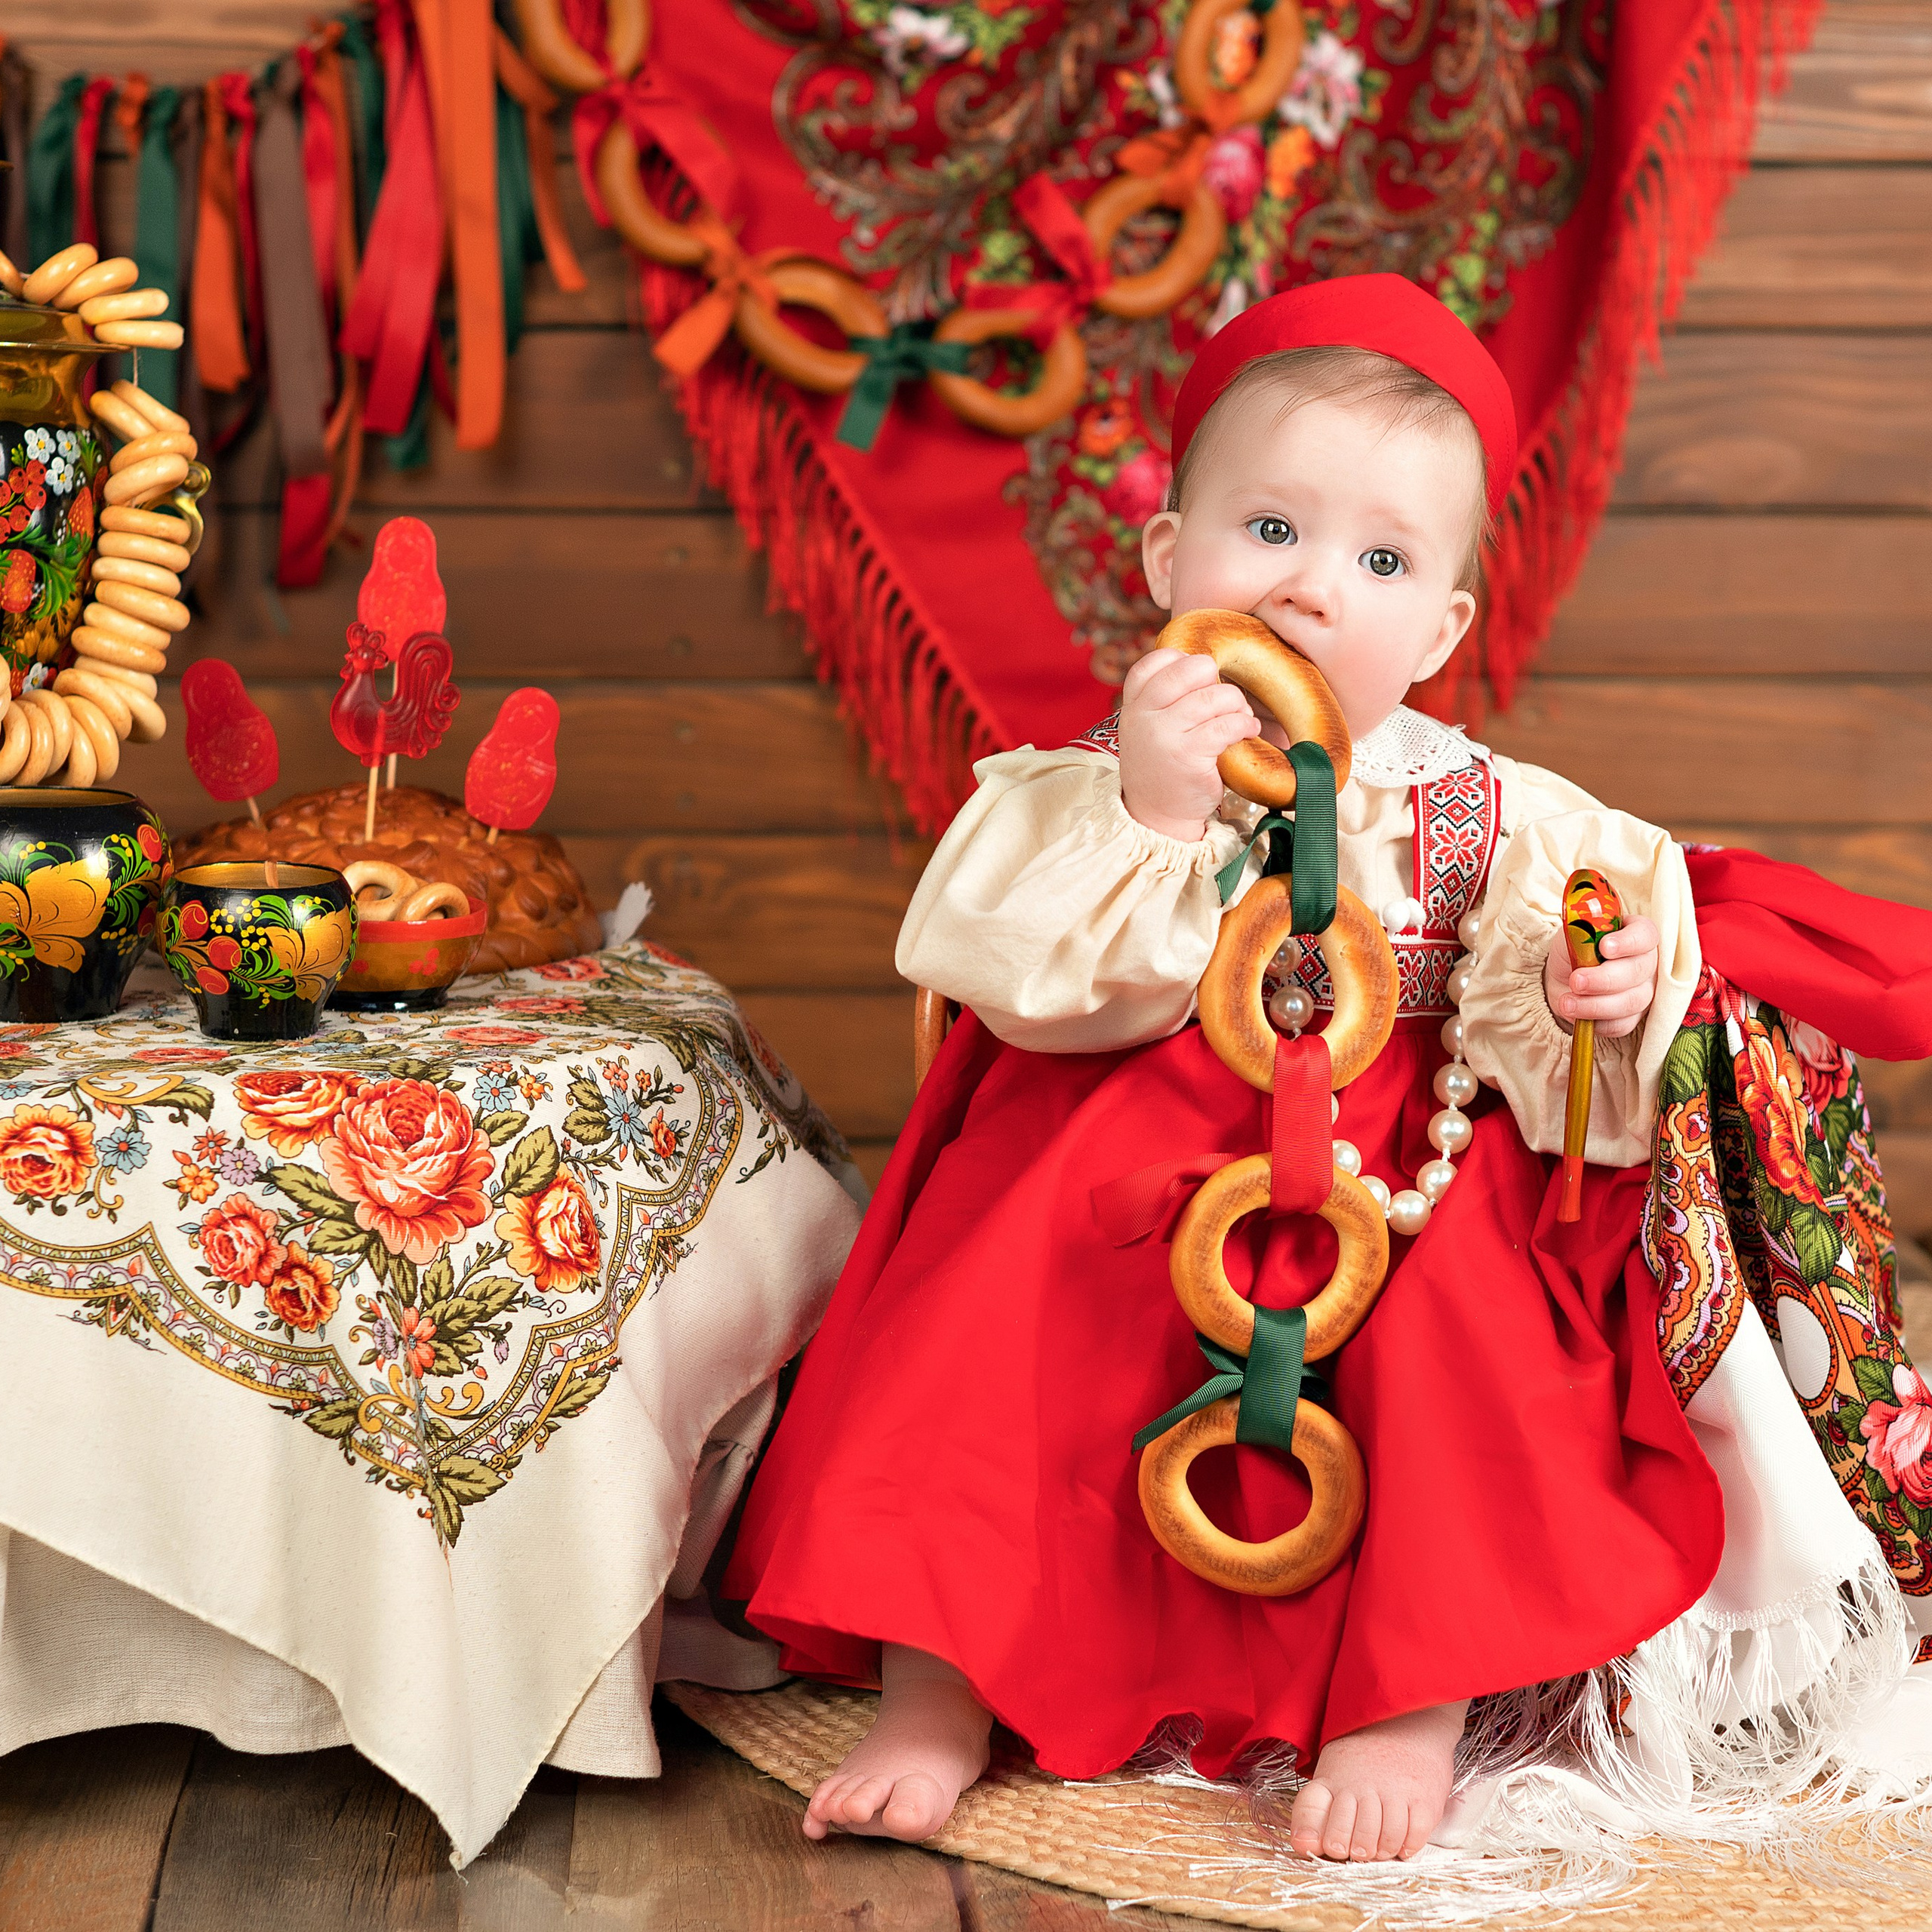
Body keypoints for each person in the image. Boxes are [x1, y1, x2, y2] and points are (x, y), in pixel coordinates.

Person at [724, 275, 1731, 1864]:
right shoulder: (1095, 776)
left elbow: (1580, 977)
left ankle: (1407, 1694)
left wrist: (1579, 983)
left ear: (1442, 628)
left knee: (1467, 1336)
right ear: (1164, 561)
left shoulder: (1494, 809)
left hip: (1403, 1150)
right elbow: (1016, 972)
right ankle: (939, 1683)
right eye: (1268, 530)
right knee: (993, 1302)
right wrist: (1152, 808)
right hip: (1123, 1123)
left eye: (1382, 561)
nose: (1311, 589)